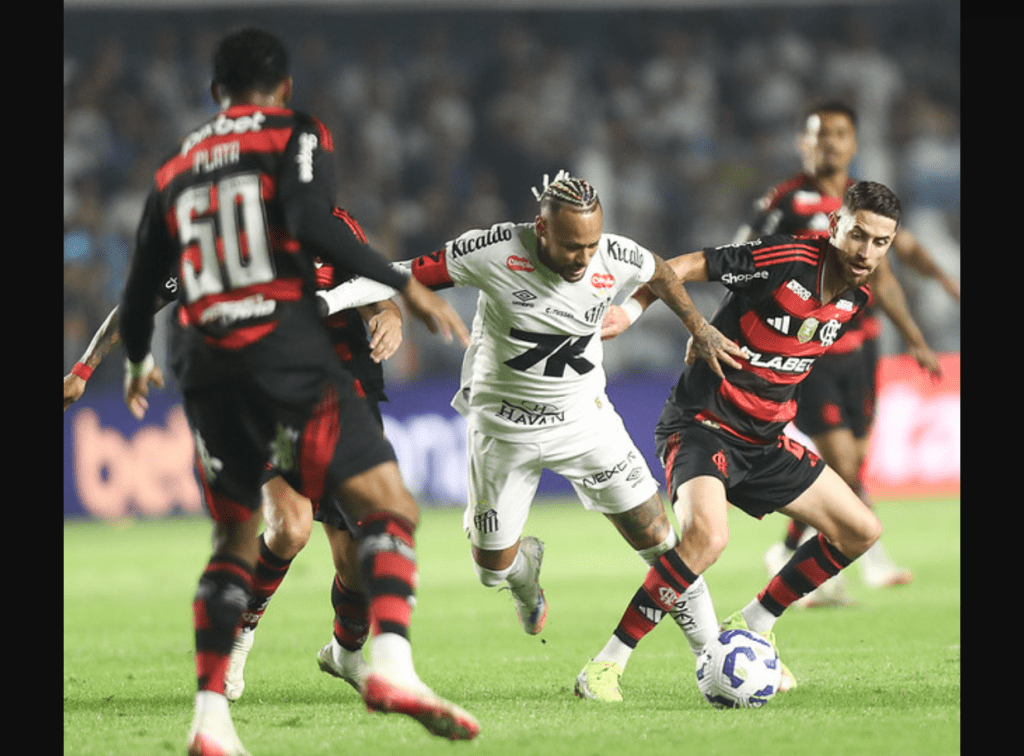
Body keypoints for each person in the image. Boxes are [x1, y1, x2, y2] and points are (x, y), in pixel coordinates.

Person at [116, 28, 476, 755]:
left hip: (202, 364)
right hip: (284, 352)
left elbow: (135, 291)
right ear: (281, 89)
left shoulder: (176, 167)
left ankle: (210, 722)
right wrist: (403, 284)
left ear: (217, 92)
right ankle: (392, 666)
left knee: (235, 540)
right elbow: (313, 221)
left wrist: (131, 363)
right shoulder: (296, 133)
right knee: (390, 504)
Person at [314, 171, 742, 654]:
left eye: (591, 244)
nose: (584, 258)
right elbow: (396, 272)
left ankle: (712, 653)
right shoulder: (493, 250)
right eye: (572, 247)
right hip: (502, 430)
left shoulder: (614, 255)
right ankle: (524, 577)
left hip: (585, 421)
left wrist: (690, 325)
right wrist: (324, 301)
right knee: (489, 568)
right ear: (541, 230)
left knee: (659, 538)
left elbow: (660, 271)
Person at [576, 180, 900, 702]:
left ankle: (753, 624)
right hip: (703, 426)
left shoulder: (856, 297)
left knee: (860, 530)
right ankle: (606, 665)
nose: (866, 252)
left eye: (880, 242)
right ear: (835, 224)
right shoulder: (786, 257)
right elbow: (672, 267)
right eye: (858, 234)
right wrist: (666, 320)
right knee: (707, 539)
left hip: (765, 442)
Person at [63, 207, 403, 705]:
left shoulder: (332, 226)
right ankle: (240, 636)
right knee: (291, 527)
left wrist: (389, 316)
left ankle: (345, 650)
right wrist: (83, 369)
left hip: (341, 396)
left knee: (357, 559)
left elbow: (375, 292)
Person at [737, 101, 959, 604]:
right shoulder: (786, 201)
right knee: (839, 456)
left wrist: (936, 296)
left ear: (854, 142)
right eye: (820, 135)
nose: (830, 143)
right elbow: (743, 258)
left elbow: (900, 259)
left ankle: (792, 551)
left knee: (853, 460)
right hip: (809, 350)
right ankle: (866, 554)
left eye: (839, 134)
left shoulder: (866, 202)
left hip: (863, 347)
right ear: (803, 143)